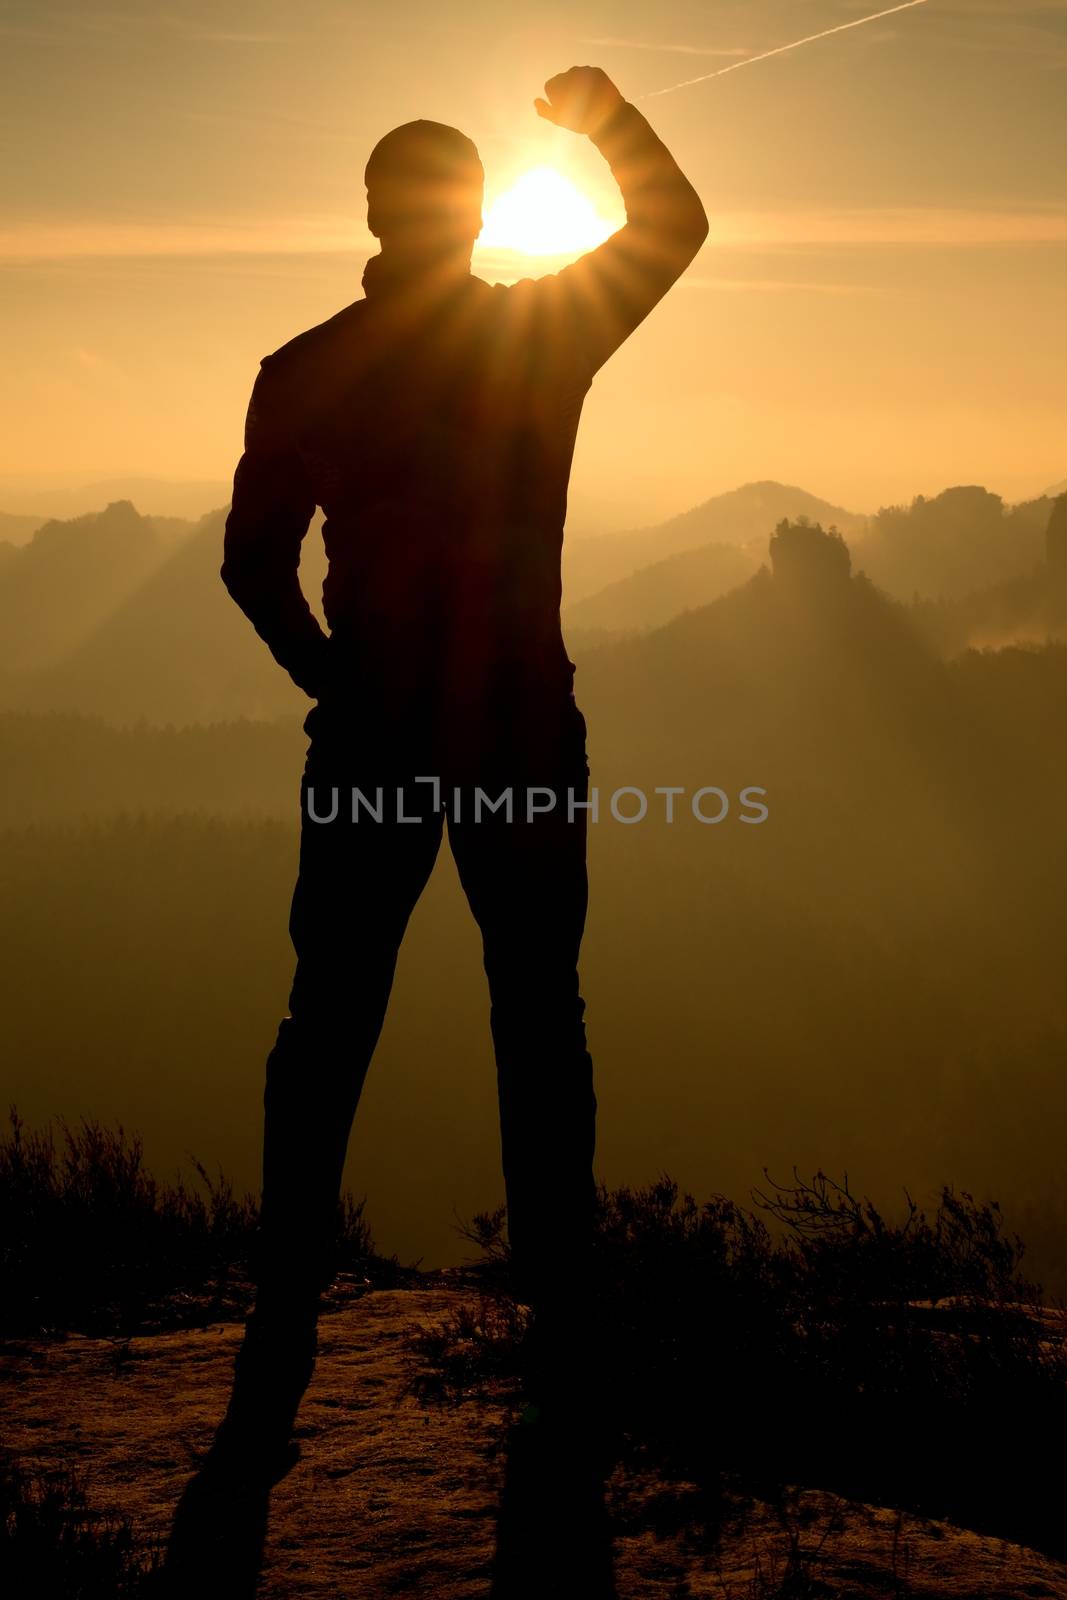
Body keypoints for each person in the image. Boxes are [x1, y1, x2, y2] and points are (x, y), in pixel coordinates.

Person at [216, 66, 707, 1469]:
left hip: (372, 731)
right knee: (539, 1012)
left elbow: (252, 566)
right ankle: (560, 1300)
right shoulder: (541, 339)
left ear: (373, 215)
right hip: (519, 732)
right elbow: (675, 225)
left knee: (330, 1015)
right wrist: (602, 114)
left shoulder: (305, 369)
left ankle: (286, 1297)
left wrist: (331, 675)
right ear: (477, 216)